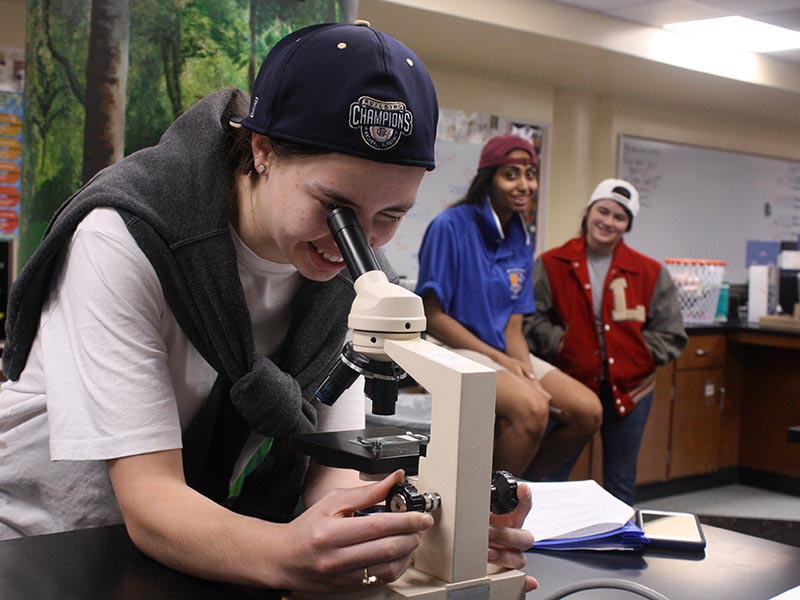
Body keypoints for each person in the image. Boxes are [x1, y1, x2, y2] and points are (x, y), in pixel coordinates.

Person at [0, 23, 537, 595]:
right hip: (52, 541)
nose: (356, 243)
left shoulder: (352, 274)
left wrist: (419, 537)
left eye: (391, 215)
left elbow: (331, 471)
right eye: (336, 208)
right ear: (262, 149)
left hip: (203, 534)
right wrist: (287, 552)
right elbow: (152, 499)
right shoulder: (125, 236)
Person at [414, 135, 601, 480]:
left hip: (501, 349)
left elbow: (513, 327)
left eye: (530, 174)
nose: (524, 184)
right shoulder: (450, 226)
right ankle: (487, 507)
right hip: (450, 347)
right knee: (532, 408)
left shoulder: (521, 236)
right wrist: (505, 363)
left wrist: (527, 373)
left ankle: (520, 487)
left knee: (586, 411)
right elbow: (433, 316)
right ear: (489, 177)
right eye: (511, 174)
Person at [524, 178, 687, 505]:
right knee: (549, 474)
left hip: (632, 391)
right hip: (572, 387)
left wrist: (635, 355)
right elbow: (529, 319)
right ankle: (534, 540)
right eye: (603, 211)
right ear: (588, 212)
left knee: (621, 481)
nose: (608, 222)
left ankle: (617, 544)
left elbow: (671, 333)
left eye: (619, 217)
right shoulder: (551, 263)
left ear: (627, 225)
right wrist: (563, 344)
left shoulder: (650, 272)